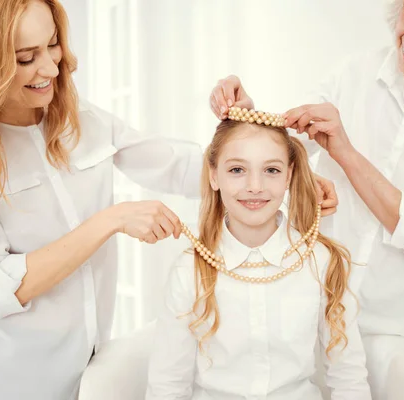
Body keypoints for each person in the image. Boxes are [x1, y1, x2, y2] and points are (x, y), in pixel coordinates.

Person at [0, 2, 339, 398]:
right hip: (4, 383)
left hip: (90, 371)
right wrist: (109, 221)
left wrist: (270, 166)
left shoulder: (79, 120)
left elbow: (179, 168)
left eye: (53, 44)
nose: (51, 68)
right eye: (27, 58)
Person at [209, 0, 404, 398]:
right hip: (345, 317)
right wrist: (249, 118)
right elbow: (290, 147)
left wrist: (345, 153)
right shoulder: (356, 72)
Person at [146, 115, 372, 400]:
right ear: (214, 175)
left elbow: (348, 377)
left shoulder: (320, 262)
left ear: (289, 175)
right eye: (238, 169)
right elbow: (167, 386)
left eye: (271, 170)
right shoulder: (188, 270)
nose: (255, 185)